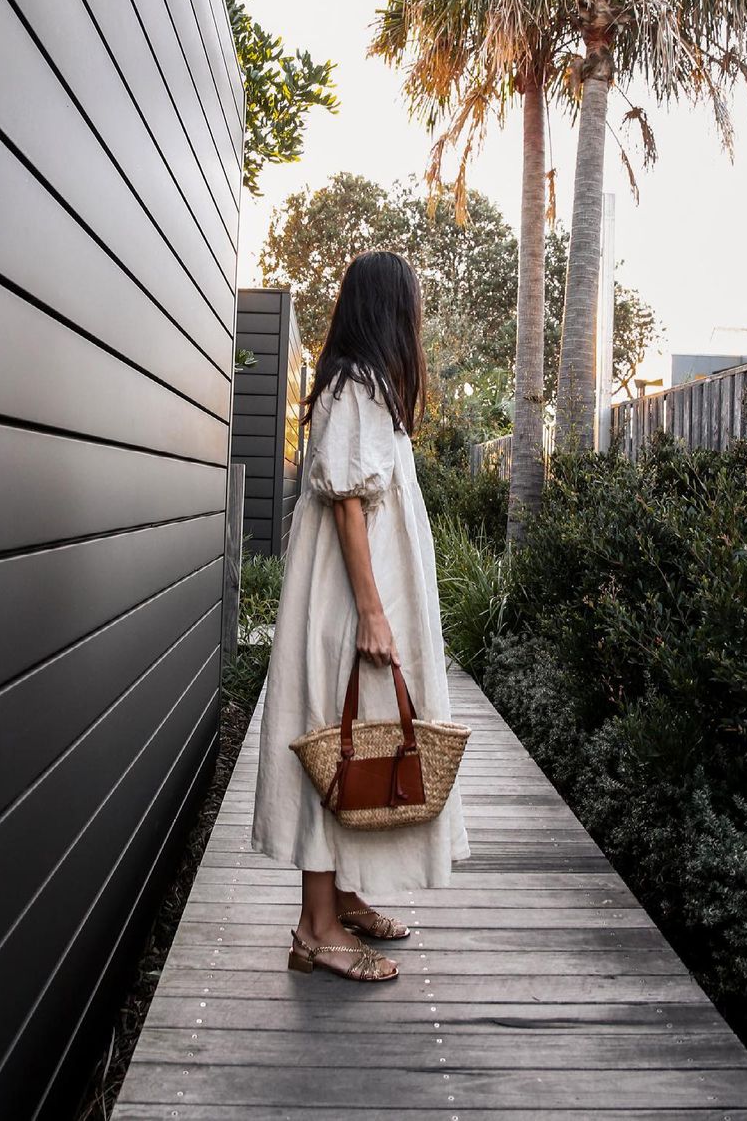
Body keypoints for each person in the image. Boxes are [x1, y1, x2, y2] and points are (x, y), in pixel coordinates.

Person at [250, 250, 470, 982]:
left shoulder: (369, 389)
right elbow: (348, 505)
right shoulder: (354, 388)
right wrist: (374, 615)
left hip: (363, 601)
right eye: (410, 304)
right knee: (338, 743)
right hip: (350, 608)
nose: (418, 319)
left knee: (358, 745)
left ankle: (341, 898)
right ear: (388, 310)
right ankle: (314, 930)